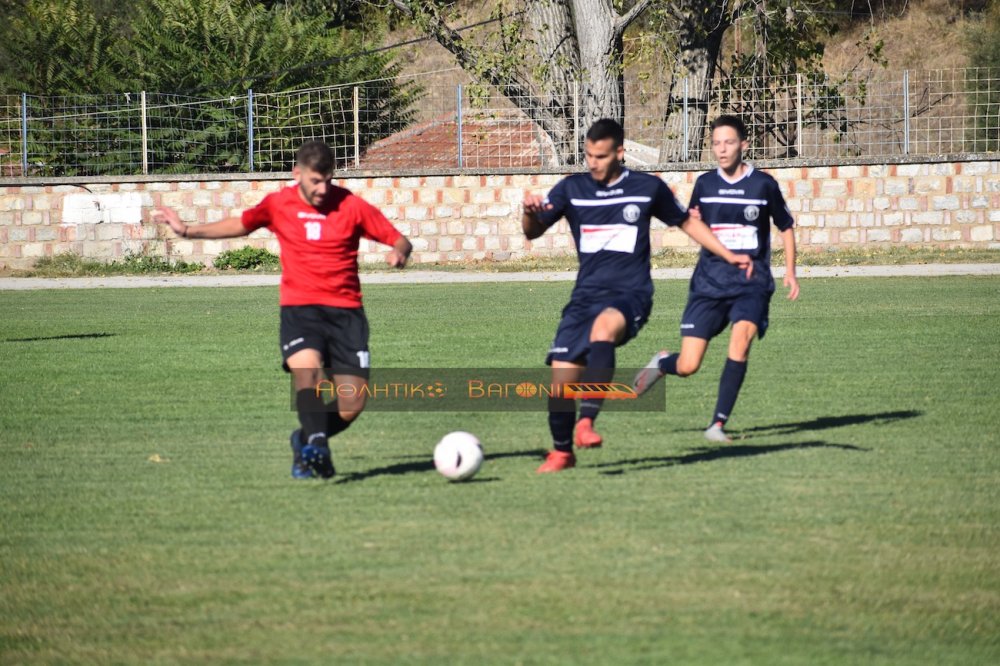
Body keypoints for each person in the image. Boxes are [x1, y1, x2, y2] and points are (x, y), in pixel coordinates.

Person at [152, 140, 412, 479]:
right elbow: (241, 223)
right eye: (314, 181)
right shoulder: (279, 204)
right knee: (308, 374)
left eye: (327, 180)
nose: (321, 189)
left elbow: (398, 238)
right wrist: (187, 230)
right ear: (297, 174)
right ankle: (317, 444)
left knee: (352, 405)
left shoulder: (351, 206)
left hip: (346, 312)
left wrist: (400, 252)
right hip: (300, 307)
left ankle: (303, 438)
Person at [522, 118, 754, 473]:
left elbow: (687, 222)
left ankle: (587, 422)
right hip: (584, 296)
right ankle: (562, 452)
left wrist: (726, 253)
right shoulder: (572, 188)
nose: (593, 163)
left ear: (619, 152)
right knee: (561, 378)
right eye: (588, 155)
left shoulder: (647, 187)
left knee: (603, 330)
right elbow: (533, 232)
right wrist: (528, 213)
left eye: (600, 156)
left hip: (631, 294)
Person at [632, 115, 800, 442]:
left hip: (751, 282)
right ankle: (663, 363)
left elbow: (786, 227)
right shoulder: (705, 185)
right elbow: (697, 226)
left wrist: (790, 271)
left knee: (741, 341)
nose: (722, 149)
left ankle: (717, 425)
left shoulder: (763, 185)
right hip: (709, 283)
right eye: (717, 143)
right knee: (689, 364)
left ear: (744, 145)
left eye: (729, 142)